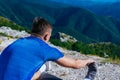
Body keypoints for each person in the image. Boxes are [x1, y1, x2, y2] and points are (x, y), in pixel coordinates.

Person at [0, 17, 95, 80]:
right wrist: (88, 61)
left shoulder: (17, 42)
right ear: (46, 36)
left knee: (37, 73)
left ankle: (42, 68)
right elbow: (75, 64)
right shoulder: (45, 49)